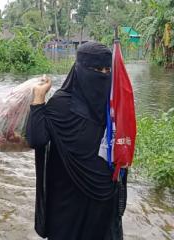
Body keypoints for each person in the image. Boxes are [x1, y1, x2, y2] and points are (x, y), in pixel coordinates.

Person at [26, 42, 120, 240]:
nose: (103, 75)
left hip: (101, 199)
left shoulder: (112, 105)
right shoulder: (62, 104)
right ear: (80, 70)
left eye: (107, 70)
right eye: (97, 70)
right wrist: (38, 99)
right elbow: (37, 139)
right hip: (67, 201)